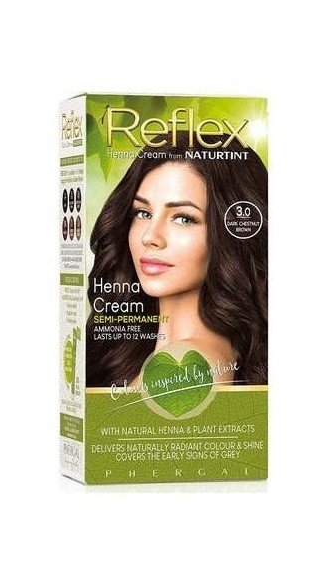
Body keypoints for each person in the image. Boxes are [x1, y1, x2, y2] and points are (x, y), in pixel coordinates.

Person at [86, 132, 268, 390]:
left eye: (184, 218)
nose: (150, 237)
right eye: (143, 213)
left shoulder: (186, 365)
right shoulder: (137, 351)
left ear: (231, 235)